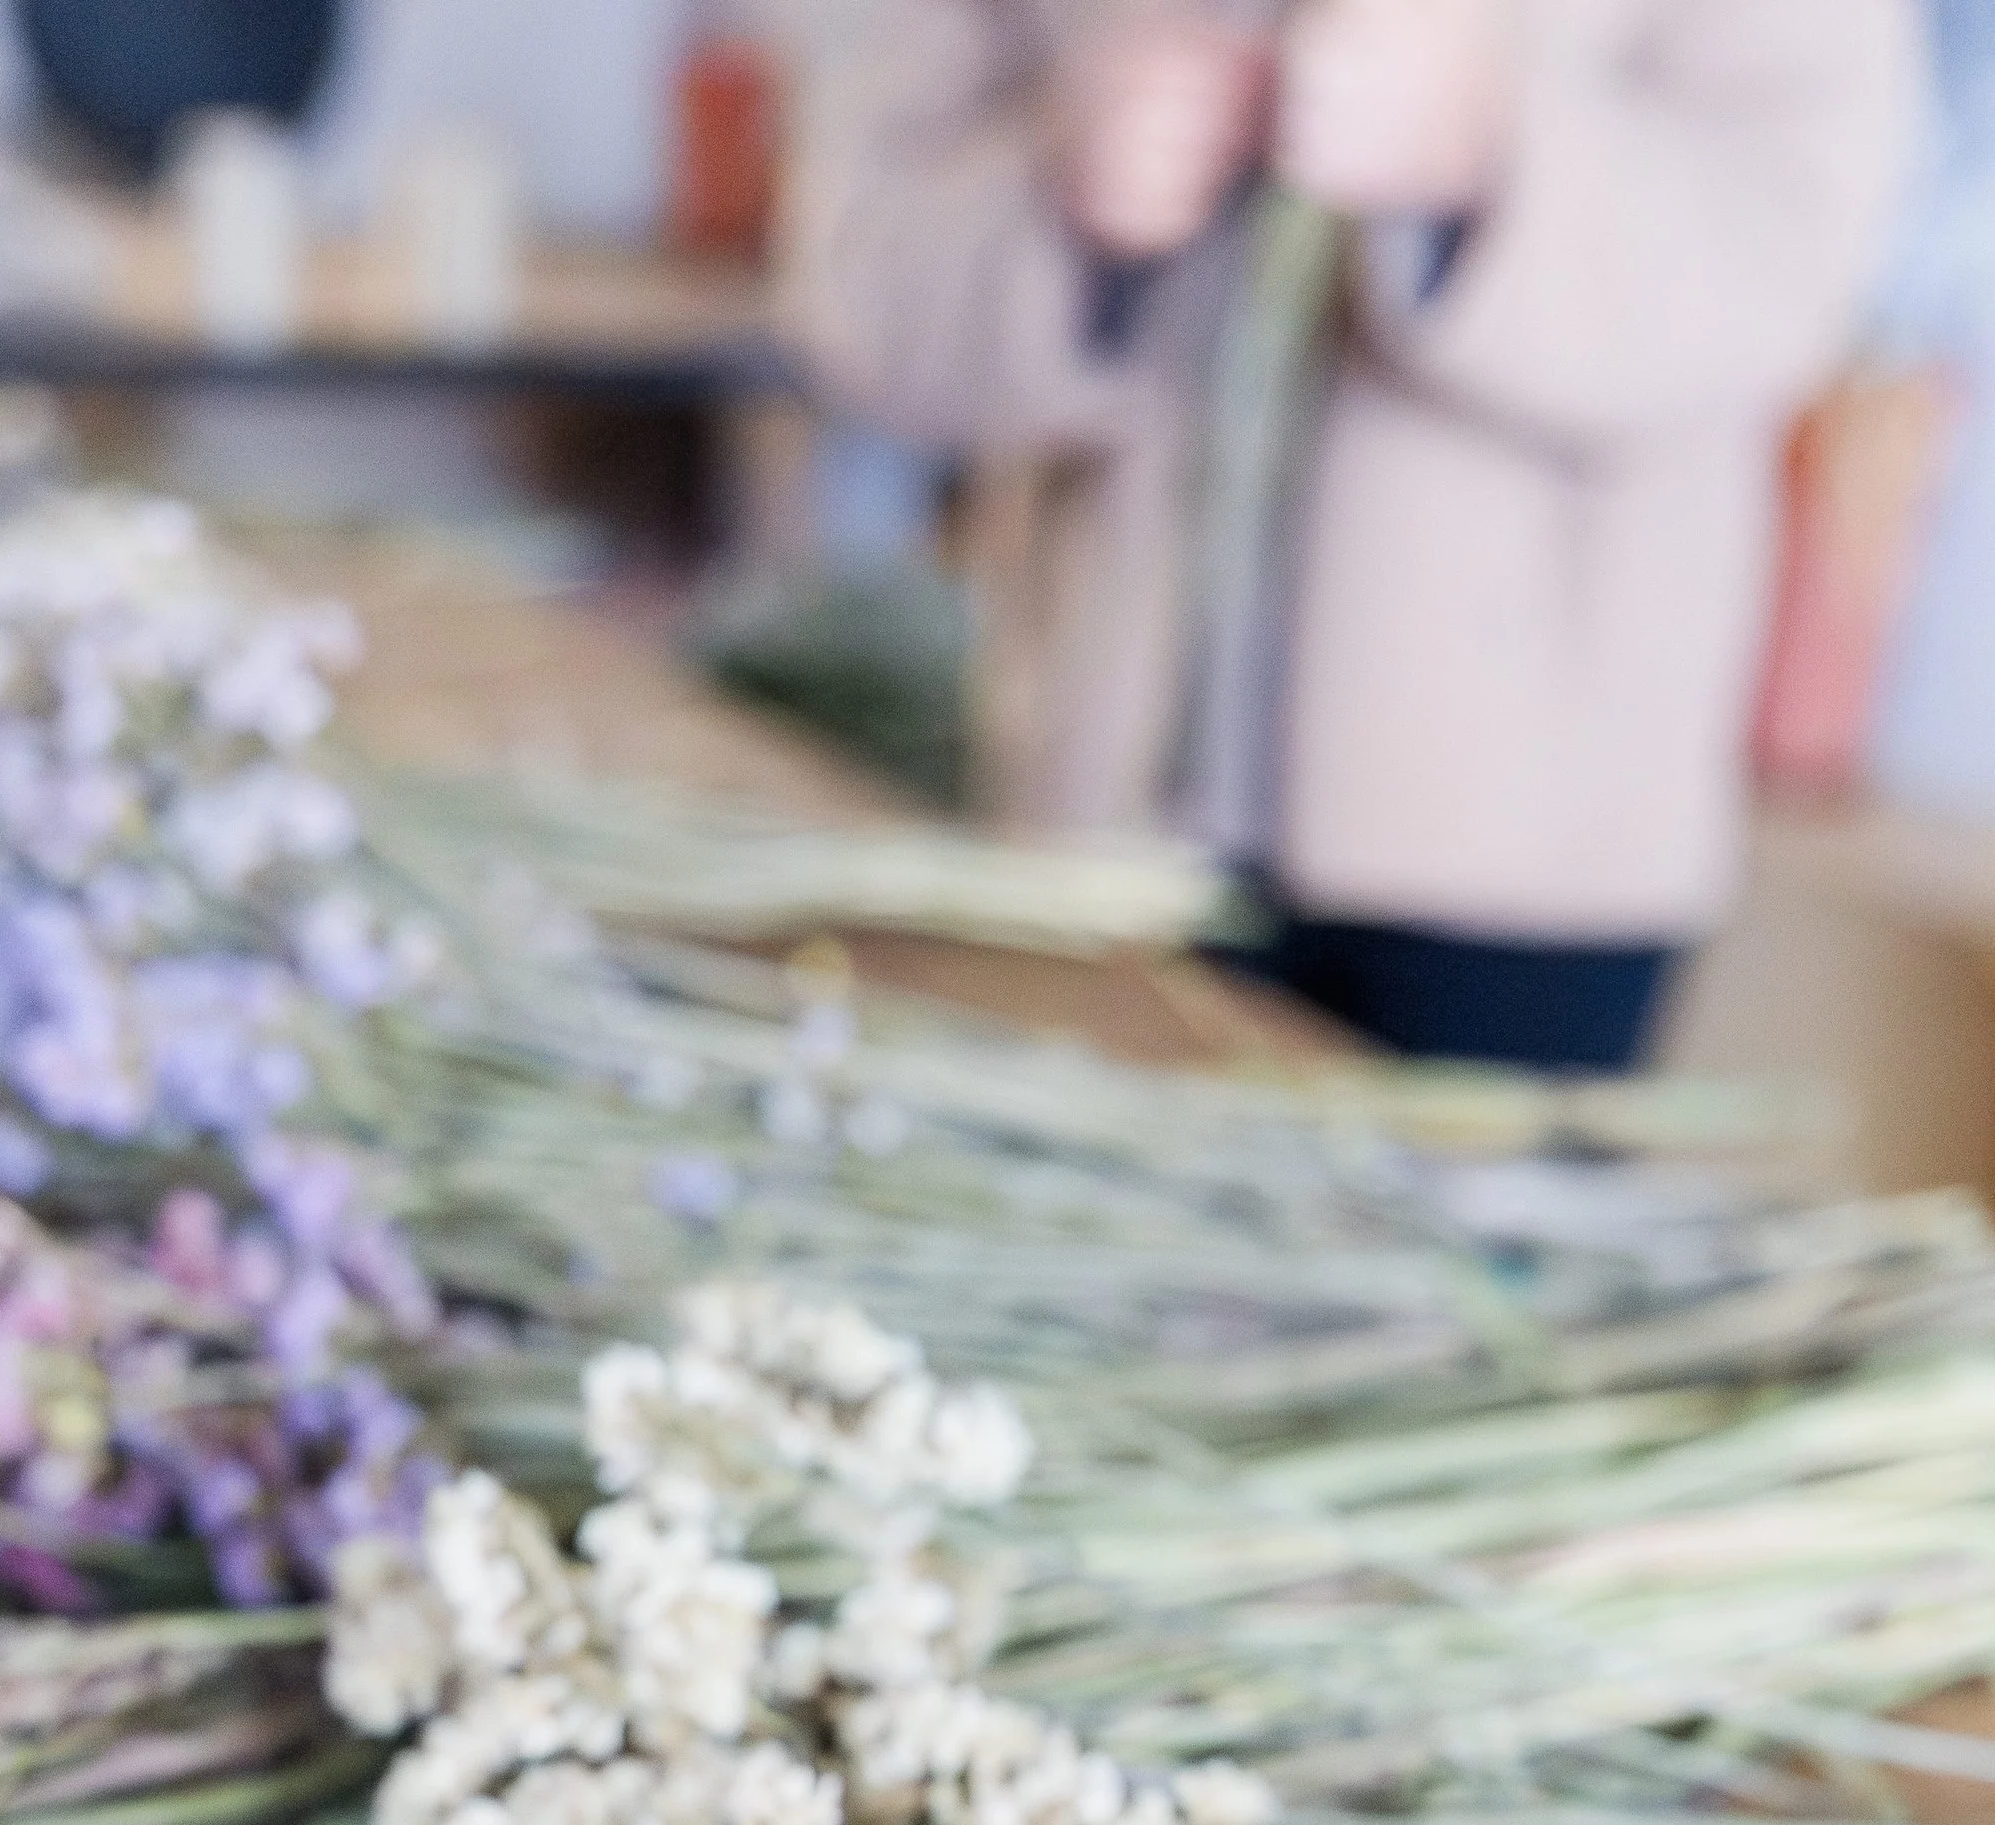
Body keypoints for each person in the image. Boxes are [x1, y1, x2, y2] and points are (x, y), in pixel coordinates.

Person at [784, 0, 1925, 1068]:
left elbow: (1801, 243)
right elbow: (860, 264)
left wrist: (1493, 159)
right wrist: (1060, 196)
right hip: (1096, 816)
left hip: (1530, 861)